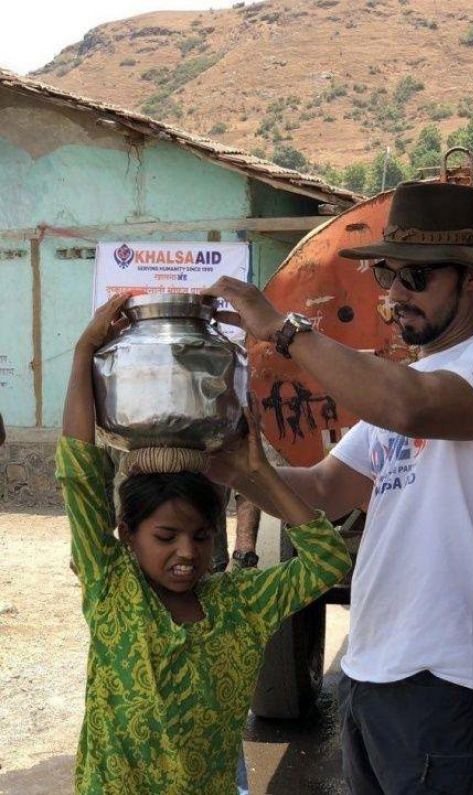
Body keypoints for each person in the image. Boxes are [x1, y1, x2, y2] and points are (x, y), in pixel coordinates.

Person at [203, 179, 473, 794]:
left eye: (416, 277)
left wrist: (283, 330)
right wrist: (226, 468)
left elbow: (410, 407)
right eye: (388, 274)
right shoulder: (410, 380)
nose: (395, 294)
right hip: (369, 673)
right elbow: (325, 487)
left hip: (448, 680)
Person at [58, 294, 351, 794]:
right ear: (127, 534)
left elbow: (327, 562)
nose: (187, 553)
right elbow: (81, 473)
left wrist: (260, 473)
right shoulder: (111, 586)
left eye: (200, 535)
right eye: (165, 537)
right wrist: (85, 351)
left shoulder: (241, 604)